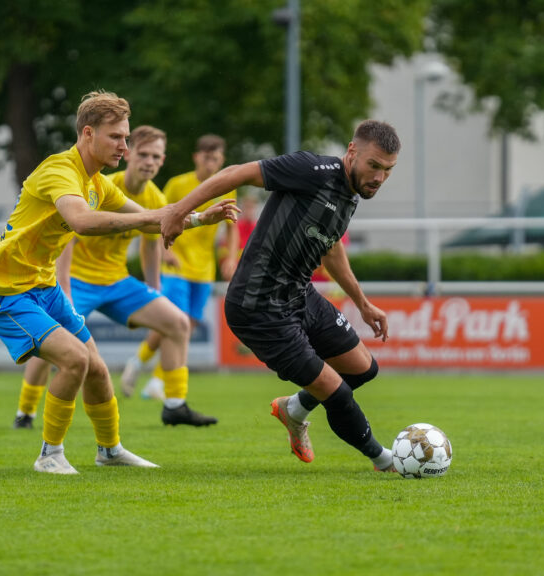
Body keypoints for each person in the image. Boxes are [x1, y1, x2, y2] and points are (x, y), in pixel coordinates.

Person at [0, 91, 237, 475]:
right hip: (5, 293)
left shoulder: (97, 183)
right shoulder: (59, 171)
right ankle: (49, 454)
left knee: (96, 367)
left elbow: (148, 217)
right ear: (88, 133)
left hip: (43, 289)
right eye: (117, 137)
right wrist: (151, 222)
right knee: (75, 360)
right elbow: (81, 221)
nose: (125, 147)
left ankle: (109, 450)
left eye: (127, 138)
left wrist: (197, 219)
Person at [160, 120, 400, 472]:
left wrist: (363, 303)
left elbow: (330, 248)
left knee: (363, 368)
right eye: (374, 166)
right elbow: (236, 173)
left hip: (299, 295)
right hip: (257, 306)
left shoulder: (352, 192)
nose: (379, 177)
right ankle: (387, 461)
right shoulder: (312, 170)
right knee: (337, 393)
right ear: (352, 152)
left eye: (388, 170)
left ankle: (294, 410)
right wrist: (178, 211)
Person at [11, 125, 218, 429]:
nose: (149, 161)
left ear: (162, 162)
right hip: (78, 281)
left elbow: (150, 247)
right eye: (144, 154)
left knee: (177, 322)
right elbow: (66, 240)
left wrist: (155, 290)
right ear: (129, 153)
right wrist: (64, 288)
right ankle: (25, 412)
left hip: (117, 282)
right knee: (51, 343)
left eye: (156, 157)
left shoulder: (155, 197)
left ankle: (174, 405)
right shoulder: (103, 186)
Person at [121, 134, 239, 402]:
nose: (211, 163)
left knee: (188, 325)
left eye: (217, 158)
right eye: (207, 157)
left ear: (222, 160)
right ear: (197, 157)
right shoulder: (177, 184)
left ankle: (155, 380)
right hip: (176, 267)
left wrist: (230, 257)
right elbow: (161, 218)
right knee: (175, 323)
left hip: (204, 269)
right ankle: (138, 366)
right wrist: (166, 251)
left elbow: (231, 230)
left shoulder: (228, 188)